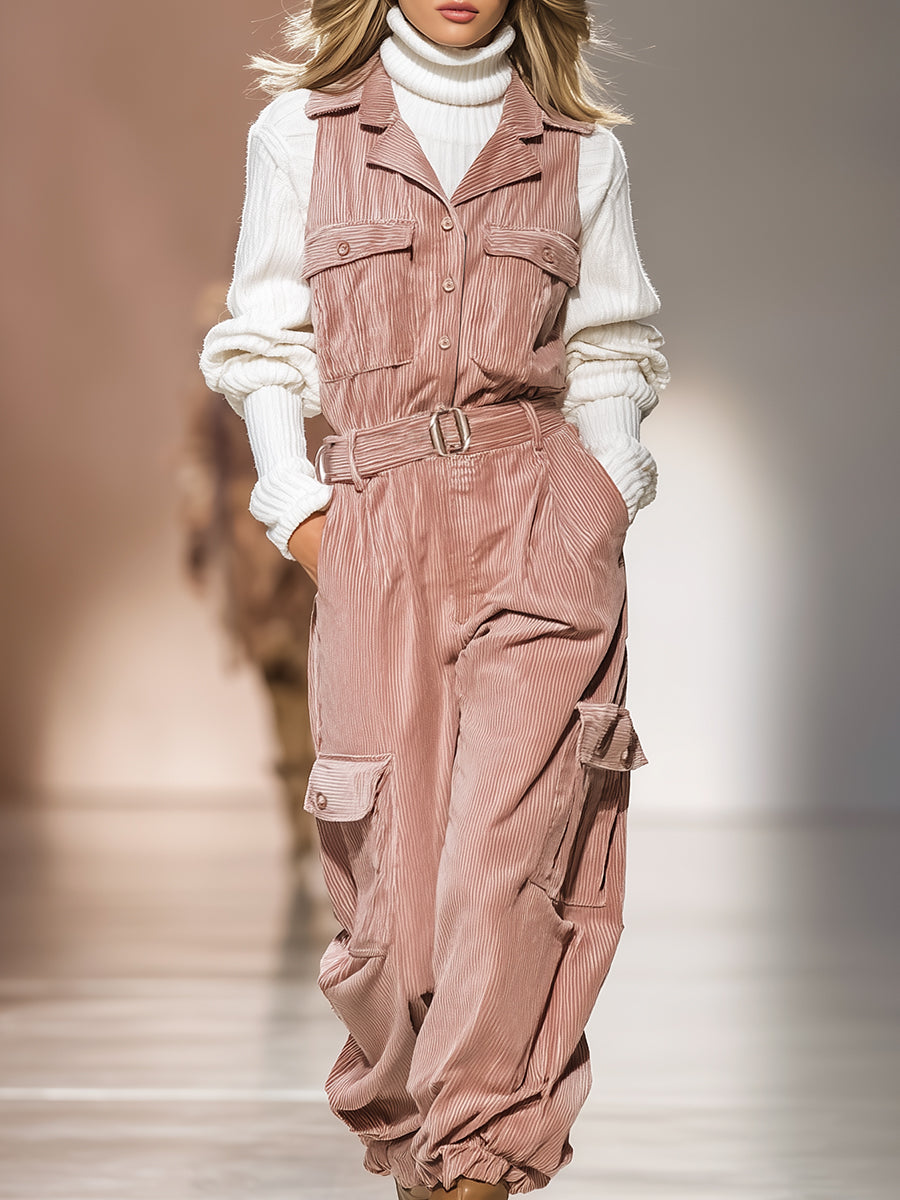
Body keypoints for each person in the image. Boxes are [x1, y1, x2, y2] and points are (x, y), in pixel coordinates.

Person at [199, 2, 670, 1196]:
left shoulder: (581, 151)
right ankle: (432, 1154)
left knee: (506, 871)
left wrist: (603, 499)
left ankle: (475, 1166)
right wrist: (299, 510)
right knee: (396, 912)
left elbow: (612, 347)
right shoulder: (299, 134)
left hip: (539, 521)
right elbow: (266, 342)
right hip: (375, 524)